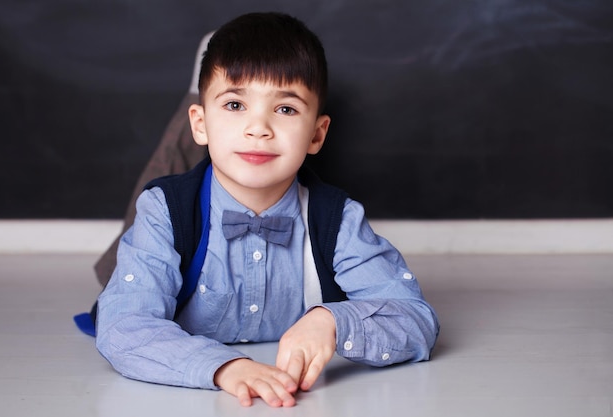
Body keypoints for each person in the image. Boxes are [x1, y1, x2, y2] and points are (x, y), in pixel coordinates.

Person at [95, 12, 439, 408]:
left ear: (317, 134)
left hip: (259, 188)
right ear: (201, 122)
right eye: (236, 103)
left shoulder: (336, 218)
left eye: (286, 109)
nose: (259, 128)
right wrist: (222, 366)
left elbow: (416, 318)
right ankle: (198, 94)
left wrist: (333, 321)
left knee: (222, 156)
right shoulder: (164, 212)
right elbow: (123, 326)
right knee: (148, 210)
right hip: (178, 223)